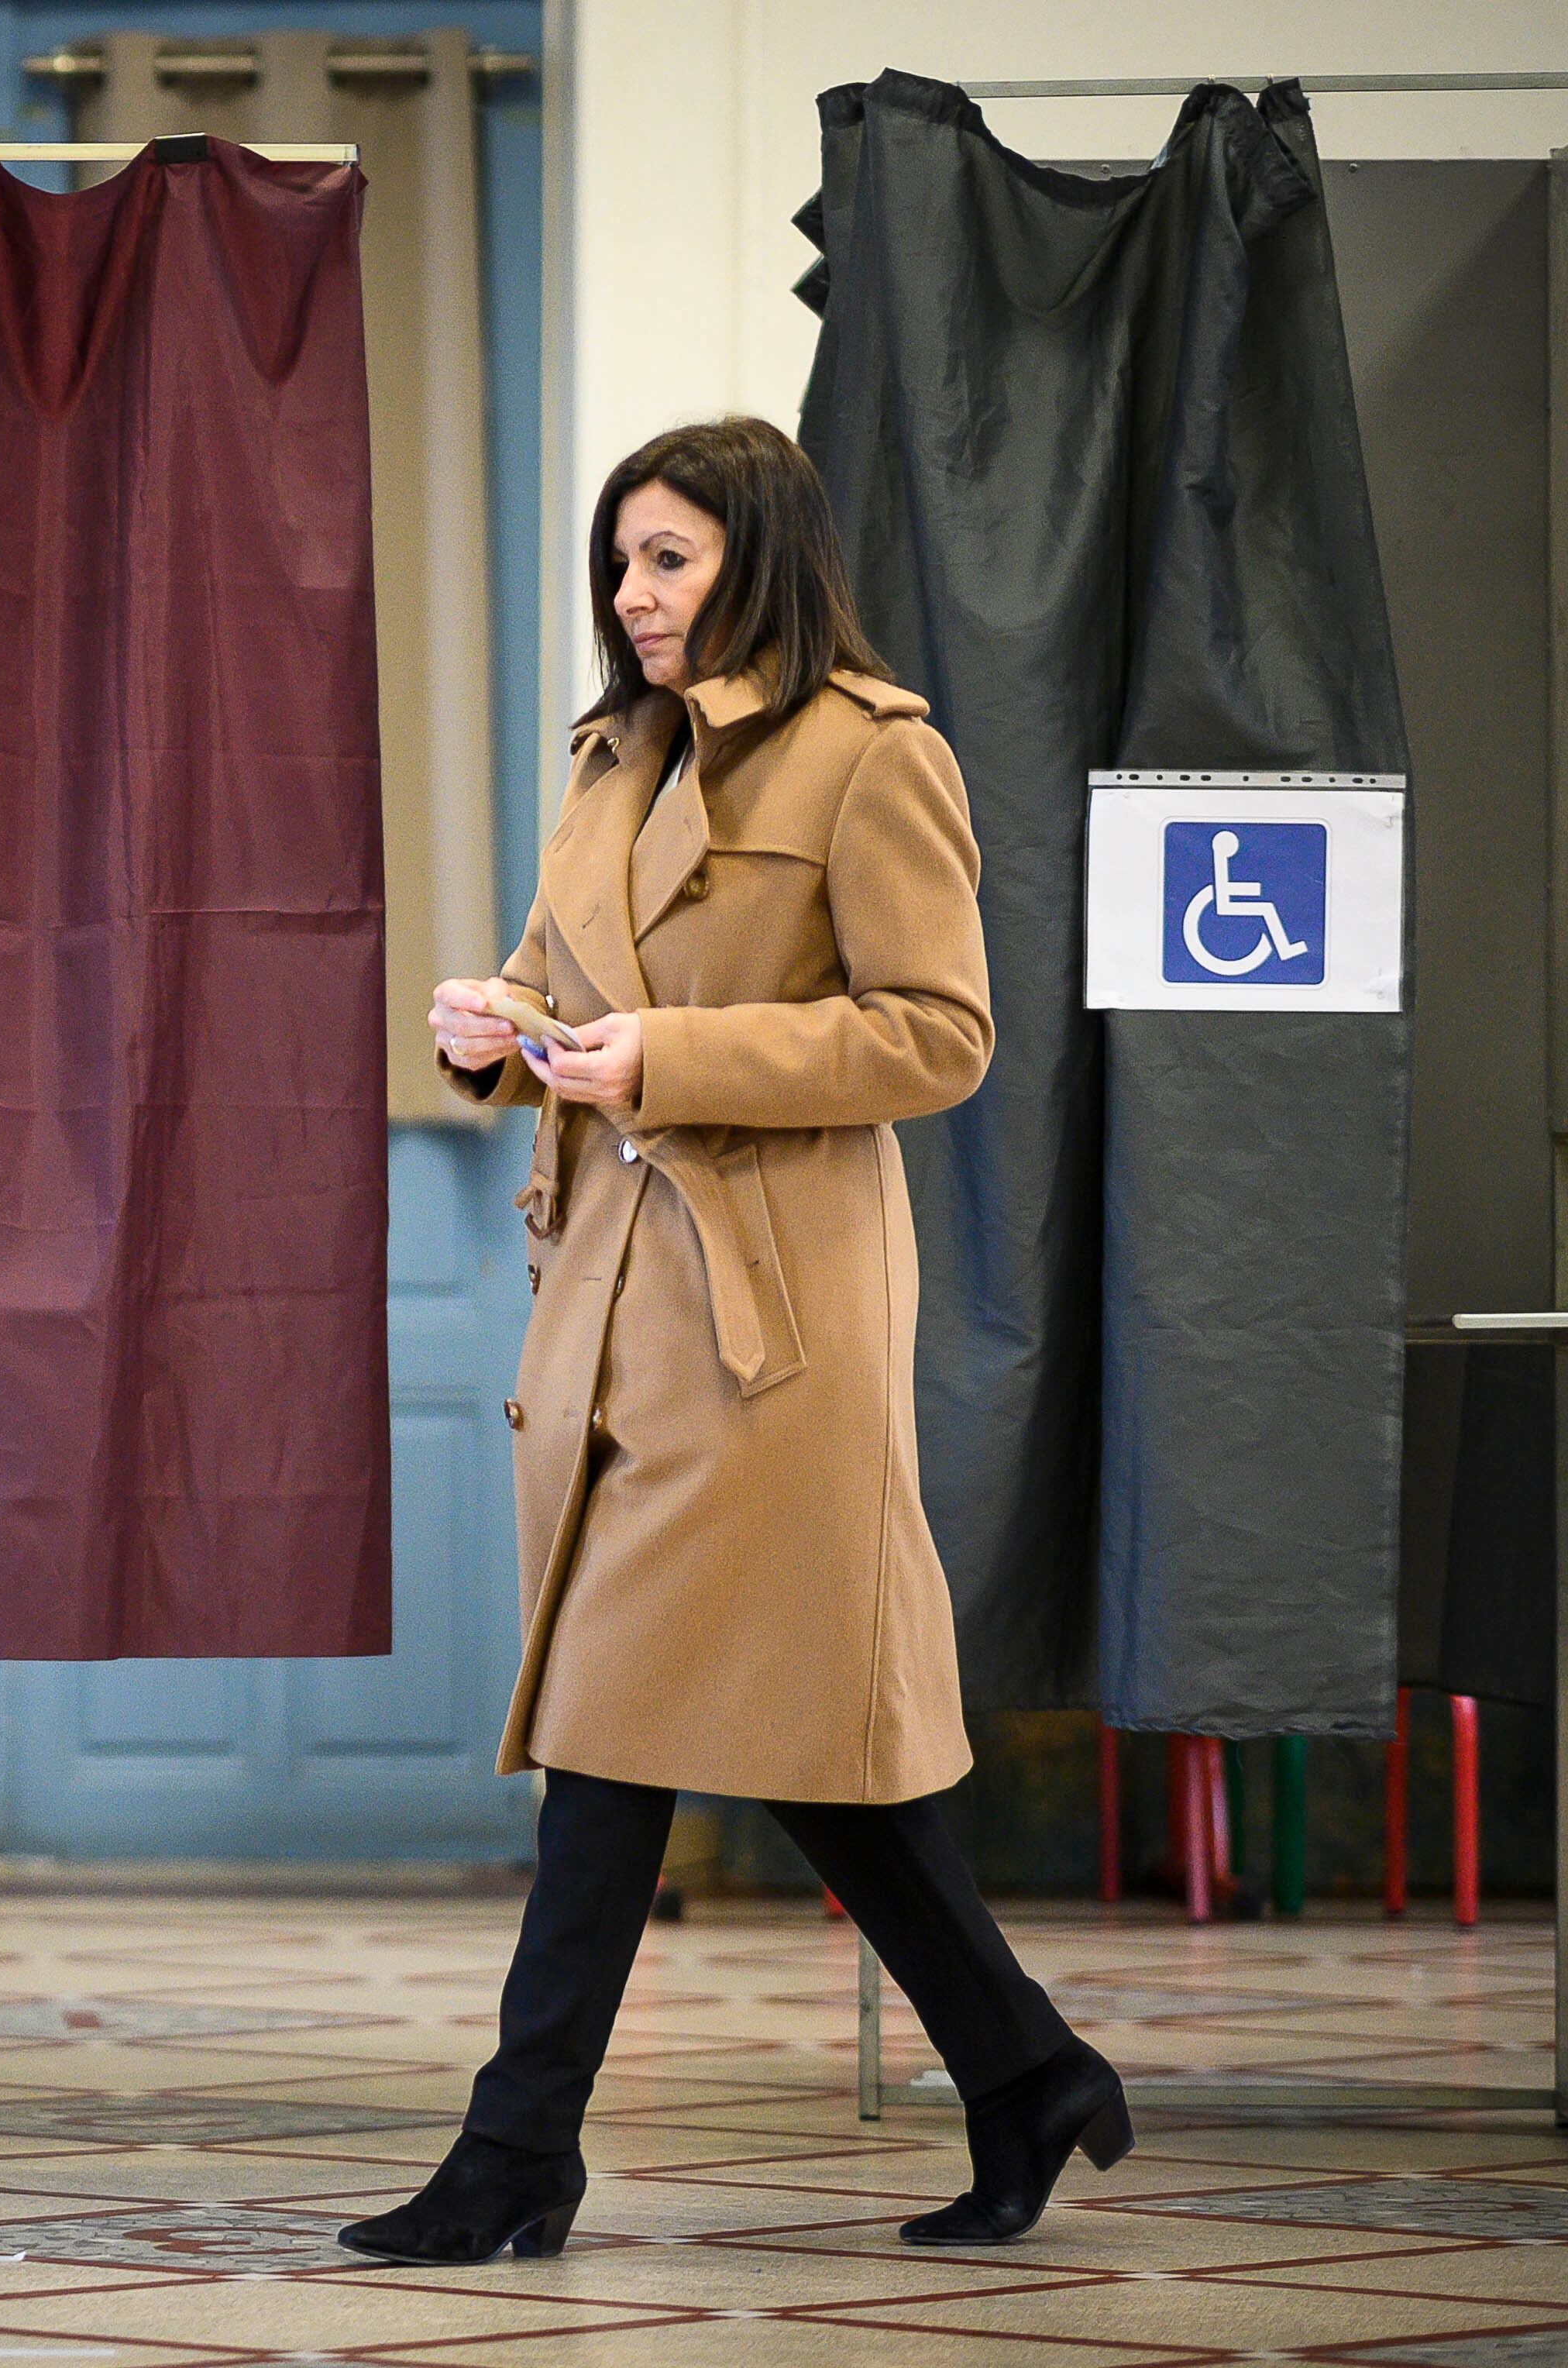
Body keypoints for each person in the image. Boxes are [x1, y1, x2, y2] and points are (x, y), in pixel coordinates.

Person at [340, 416, 1128, 2268]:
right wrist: (495, 1025)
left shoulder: (875, 755)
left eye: (670, 558)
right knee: (773, 1740)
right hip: (619, 1289)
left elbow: (941, 1033)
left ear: (756, 554)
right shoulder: (612, 756)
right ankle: (1027, 2065)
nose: (633, 592)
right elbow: (568, 973)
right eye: (622, 560)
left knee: (620, 1724)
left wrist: (675, 1060)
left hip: (778, 1319)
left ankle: (517, 2149)